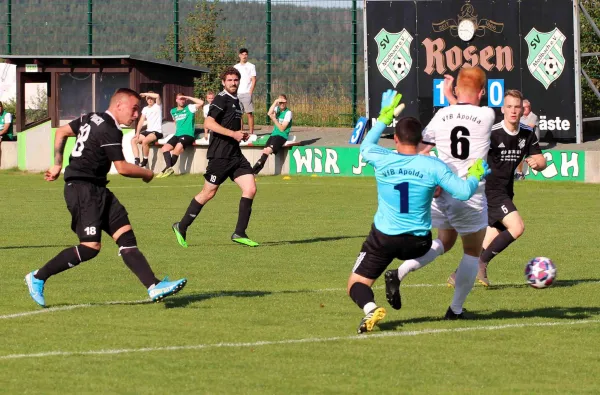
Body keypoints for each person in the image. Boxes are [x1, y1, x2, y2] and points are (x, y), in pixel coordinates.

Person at [24, 88, 187, 307]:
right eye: (134, 108)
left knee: (126, 237)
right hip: (83, 190)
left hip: (98, 188)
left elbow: (61, 132)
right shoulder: (110, 129)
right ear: (119, 105)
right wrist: (147, 173)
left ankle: (154, 285)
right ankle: (37, 277)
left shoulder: (90, 117)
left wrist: (56, 163)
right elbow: (122, 168)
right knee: (90, 247)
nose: (137, 114)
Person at [348, 89, 490, 334]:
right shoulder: (433, 165)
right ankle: (404, 275)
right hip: (418, 242)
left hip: (384, 238)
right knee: (444, 242)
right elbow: (464, 192)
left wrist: (383, 118)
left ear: (395, 139)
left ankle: (371, 308)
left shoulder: (382, 158)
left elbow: (366, 145)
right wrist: (475, 175)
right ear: (420, 140)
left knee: (356, 283)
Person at [386, 67, 496, 320]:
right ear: (482, 92)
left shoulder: (441, 115)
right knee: (472, 251)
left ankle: (399, 273)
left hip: (440, 191)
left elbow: (422, 147)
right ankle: (455, 309)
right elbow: (468, 114)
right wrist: (454, 95)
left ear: (456, 90)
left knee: (445, 241)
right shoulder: (488, 115)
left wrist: (450, 98)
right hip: (469, 194)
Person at [171, 67, 259, 248]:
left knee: (250, 188)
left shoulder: (237, 102)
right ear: (223, 82)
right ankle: (181, 226)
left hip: (235, 155)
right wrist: (232, 134)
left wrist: (241, 134)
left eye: (235, 80)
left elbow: (235, 125)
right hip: (219, 156)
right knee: (208, 193)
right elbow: (209, 123)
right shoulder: (221, 99)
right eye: (229, 80)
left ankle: (239, 232)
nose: (233, 83)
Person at [466, 90, 546, 286]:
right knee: (517, 227)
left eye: (517, 107)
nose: (513, 111)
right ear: (502, 109)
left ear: (522, 110)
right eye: (509, 106)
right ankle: (482, 264)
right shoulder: (492, 134)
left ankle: (461, 272)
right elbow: (473, 159)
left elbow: (541, 160)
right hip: (490, 191)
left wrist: (538, 163)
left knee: (489, 238)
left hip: (506, 191)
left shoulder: (527, 133)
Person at [156, 93, 204, 178]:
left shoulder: (189, 108)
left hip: (188, 134)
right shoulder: (173, 111)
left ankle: (166, 169)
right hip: (177, 134)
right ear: (176, 100)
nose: (182, 101)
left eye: (183, 99)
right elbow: (175, 122)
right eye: (180, 99)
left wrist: (187, 96)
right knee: (164, 148)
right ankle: (167, 169)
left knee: (176, 150)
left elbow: (201, 102)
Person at [252, 94, 292, 175]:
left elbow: (282, 128)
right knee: (265, 151)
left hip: (282, 136)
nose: (282, 104)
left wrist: (274, 118)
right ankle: (255, 171)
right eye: (280, 102)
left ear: (286, 102)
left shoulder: (288, 113)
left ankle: (254, 170)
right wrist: (275, 102)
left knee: (267, 150)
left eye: (283, 102)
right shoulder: (277, 109)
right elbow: (269, 113)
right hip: (273, 135)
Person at [131, 91, 163, 168]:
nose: (150, 100)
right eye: (148, 98)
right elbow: (141, 121)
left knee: (145, 141)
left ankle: (145, 160)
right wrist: (137, 133)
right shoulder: (145, 109)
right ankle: (137, 160)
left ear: (154, 99)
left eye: (151, 98)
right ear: (146, 99)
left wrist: (145, 94)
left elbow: (157, 95)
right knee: (133, 140)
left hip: (157, 131)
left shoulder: (158, 106)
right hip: (148, 131)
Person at [234, 48, 256, 135]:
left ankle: (251, 133)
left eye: (246, 54)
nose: (244, 56)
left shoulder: (251, 66)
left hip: (247, 93)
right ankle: (241, 132)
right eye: (242, 54)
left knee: (249, 114)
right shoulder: (236, 67)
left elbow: (253, 79)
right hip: (237, 93)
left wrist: (250, 91)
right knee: (239, 114)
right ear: (239, 55)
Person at [515, 99, 539, 180]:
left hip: (532, 141)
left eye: (526, 107)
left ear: (529, 107)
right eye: (522, 107)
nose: (524, 109)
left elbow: (529, 128)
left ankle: (520, 174)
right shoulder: (520, 117)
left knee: (519, 151)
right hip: (521, 139)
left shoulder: (533, 116)